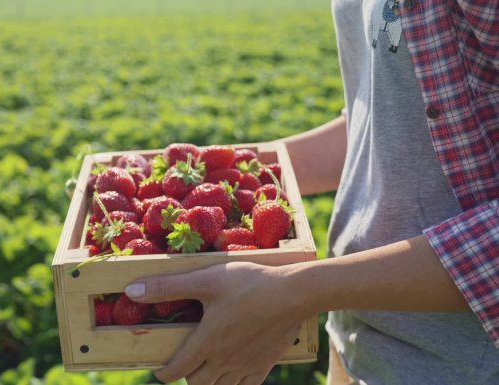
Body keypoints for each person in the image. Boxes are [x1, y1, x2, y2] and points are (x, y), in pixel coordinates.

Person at [123, 0, 499, 384]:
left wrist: (296, 291)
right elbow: (384, 118)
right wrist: (231, 174)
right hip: (357, 336)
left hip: (462, 365)